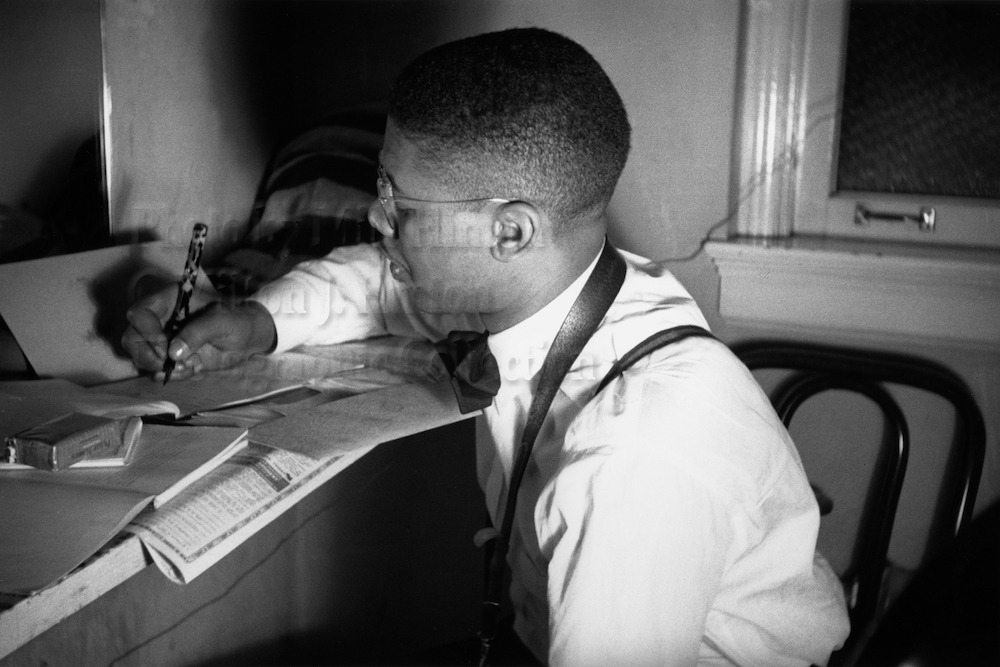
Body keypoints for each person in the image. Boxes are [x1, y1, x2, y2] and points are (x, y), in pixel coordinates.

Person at [123, 27, 850, 667]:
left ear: (510, 232)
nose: (376, 218)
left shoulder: (633, 457)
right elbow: (380, 284)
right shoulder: (563, 286)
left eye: (399, 205)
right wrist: (254, 321)